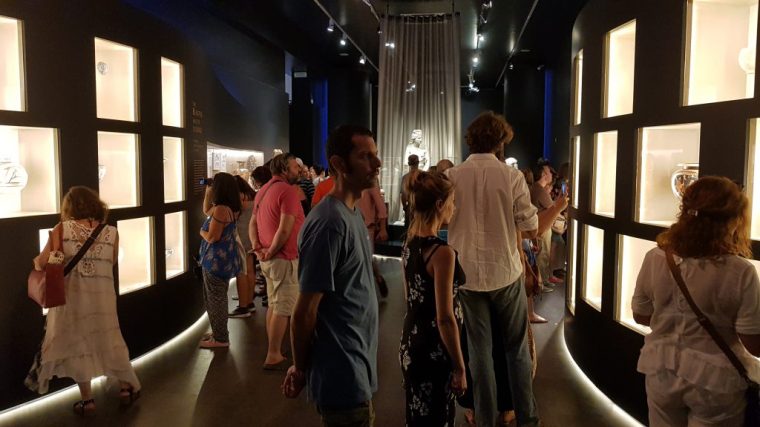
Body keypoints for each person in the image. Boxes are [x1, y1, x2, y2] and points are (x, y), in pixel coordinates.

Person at [632, 176, 760, 427]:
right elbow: (754, 344)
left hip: (661, 370)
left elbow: (640, 314)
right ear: (733, 220)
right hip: (716, 381)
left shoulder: (655, 257)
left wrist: (671, 321)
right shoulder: (740, 271)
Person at [445, 111, 540, 427]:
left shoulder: (452, 176)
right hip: (505, 272)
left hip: (466, 274)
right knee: (516, 350)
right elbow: (530, 226)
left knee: (479, 353)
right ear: (501, 142)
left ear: (471, 139)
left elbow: (442, 219)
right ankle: (527, 419)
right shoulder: (512, 177)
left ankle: (484, 420)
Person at [282, 125, 380, 426]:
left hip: (356, 365)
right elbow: (304, 311)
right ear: (338, 164)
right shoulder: (329, 223)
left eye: (375, 155)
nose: (376, 164)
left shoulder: (352, 213)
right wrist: (300, 368)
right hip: (342, 374)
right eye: (365, 156)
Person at [26, 186, 141, 415]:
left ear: (69, 207)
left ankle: (88, 401)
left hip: (72, 301)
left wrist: (38, 263)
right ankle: (126, 387)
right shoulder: (111, 232)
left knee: (78, 347)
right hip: (103, 301)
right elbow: (111, 263)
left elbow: (42, 261)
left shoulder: (61, 229)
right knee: (110, 340)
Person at [399, 169, 467, 426]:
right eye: (452, 202)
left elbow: (410, 297)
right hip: (434, 350)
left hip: (412, 343)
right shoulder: (442, 253)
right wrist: (460, 366)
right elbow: (445, 318)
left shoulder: (410, 243)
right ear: (439, 205)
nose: (454, 208)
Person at [250, 153, 304, 369]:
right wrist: (271, 251)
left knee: (274, 304)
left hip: (270, 259)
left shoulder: (263, 190)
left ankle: (275, 350)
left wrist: (258, 247)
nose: (299, 170)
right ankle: (273, 355)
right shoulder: (288, 191)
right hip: (283, 259)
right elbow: (284, 229)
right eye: (295, 167)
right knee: (283, 307)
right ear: (284, 169)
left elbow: (253, 223)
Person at [199, 172, 242, 349]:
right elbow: (206, 211)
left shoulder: (221, 209)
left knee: (215, 299)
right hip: (224, 260)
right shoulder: (230, 208)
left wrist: (201, 232)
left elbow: (212, 237)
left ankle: (221, 338)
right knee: (217, 297)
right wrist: (208, 192)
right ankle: (218, 332)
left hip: (215, 261)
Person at [229, 175, 257, 318]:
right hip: (251, 236)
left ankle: (243, 306)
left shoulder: (238, 197)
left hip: (241, 237)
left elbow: (233, 216)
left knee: (241, 271)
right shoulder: (251, 195)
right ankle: (249, 301)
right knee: (250, 270)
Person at [357, 178, 390, 297]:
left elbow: (381, 206)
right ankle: (376, 279)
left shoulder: (369, 181)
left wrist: (383, 228)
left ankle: (369, 289)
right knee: (363, 259)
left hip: (366, 227)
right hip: (355, 225)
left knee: (366, 259)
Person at [401, 154, 420, 228]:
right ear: (418, 162)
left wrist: (405, 207)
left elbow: (403, 195)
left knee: (409, 229)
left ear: (409, 163)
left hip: (410, 206)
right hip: (422, 207)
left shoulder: (405, 177)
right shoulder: (424, 175)